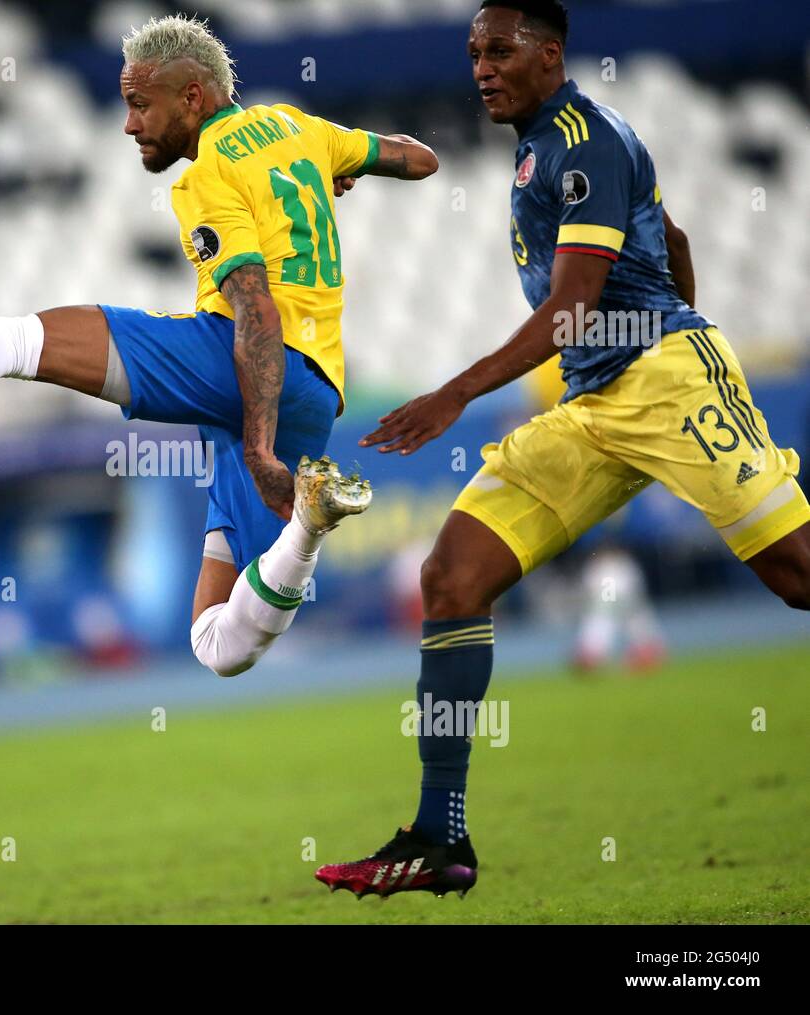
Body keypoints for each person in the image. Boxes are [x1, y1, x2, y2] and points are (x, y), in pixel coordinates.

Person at [0, 14, 439, 679]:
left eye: (141, 105)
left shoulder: (209, 176)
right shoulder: (297, 125)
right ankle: (310, 523)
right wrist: (340, 166)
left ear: (192, 97)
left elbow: (252, 307)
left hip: (247, 364)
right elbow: (420, 159)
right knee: (218, 646)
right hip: (317, 391)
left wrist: (256, 448)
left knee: (10, 340)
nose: (128, 125)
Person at [316, 0, 810, 900]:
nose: (481, 67)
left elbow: (578, 305)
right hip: (592, 403)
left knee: (798, 574)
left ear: (550, 53)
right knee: (452, 577)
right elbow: (674, 234)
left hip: (664, 381)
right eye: (473, 53)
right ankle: (440, 834)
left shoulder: (586, 137)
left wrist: (461, 390)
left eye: (499, 50)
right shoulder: (539, 143)